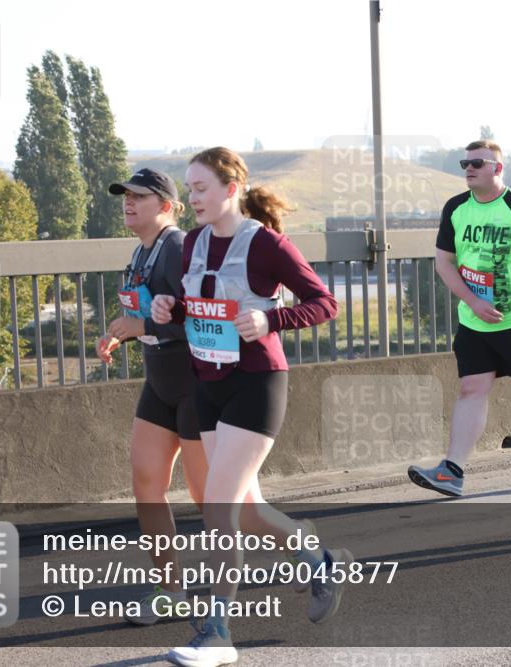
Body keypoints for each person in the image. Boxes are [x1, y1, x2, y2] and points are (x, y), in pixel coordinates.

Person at [150, 147, 346, 667]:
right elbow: (200, 306)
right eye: (189, 189)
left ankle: (217, 634)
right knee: (249, 509)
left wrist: (270, 320)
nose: (192, 198)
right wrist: (170, 308)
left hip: (256, 384)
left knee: (219, 507)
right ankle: (319, 562)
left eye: (201, 188)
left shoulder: (265, 244)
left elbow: (325, 303)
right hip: (208, 384)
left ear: (230, 189)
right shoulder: (193, 243)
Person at [407, 140, 511, 497]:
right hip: (474, 320)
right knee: (471, 388)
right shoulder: (456, 208)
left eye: (478, 163)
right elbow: (444, 262)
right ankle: (451, 472)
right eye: (465, 163)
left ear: (497, 168)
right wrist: (471, 301)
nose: (469, 168)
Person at [98, 168, 208, 625]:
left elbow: (203, 319)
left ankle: (308, 553)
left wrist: (140, 326)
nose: (128, 202)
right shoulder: (141, 251)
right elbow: (145, 315)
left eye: (139, 196)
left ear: (165, 206)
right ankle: (171, 590)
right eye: (125, 195)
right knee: (146, 485)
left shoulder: (178, 247)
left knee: (214, 501)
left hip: (196, 386)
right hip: (159, 383)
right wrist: (119, 333)